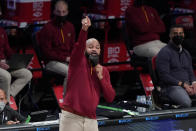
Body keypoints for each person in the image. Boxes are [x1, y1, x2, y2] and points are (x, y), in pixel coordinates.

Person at [59, 16, 116, 131]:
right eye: (90, 47)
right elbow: (78, 46)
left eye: (97, 47)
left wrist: (101, 78)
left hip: (91, 119)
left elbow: (110, 97)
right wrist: (84, 29)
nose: (94, 49)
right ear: (84, 50)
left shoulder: (103, 71)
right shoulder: (77, 63)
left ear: (100, 51)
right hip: (71, 117)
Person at [156, 25, 196, 108]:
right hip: (171, 87)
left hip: (188, 85)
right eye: (175, 33)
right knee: (186, 103)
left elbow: (190, 72)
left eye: (181, 33)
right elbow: (164, 76)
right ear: (170, 35)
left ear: (184, 35)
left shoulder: (186, 53)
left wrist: (194, 83)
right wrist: (183, 85)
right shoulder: (164, 52)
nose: (178, 35)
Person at [39, 0, 75, 88]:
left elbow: (73, 46)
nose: (61, 14)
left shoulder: (70, 27)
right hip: (51, 62)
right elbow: (46, 52)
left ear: (67, 12)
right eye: (58, 12)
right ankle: (67, 100)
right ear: (54, 12)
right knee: (70, 73)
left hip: (67, 60)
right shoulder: (47, 28)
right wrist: (65, 58)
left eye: (64, 12)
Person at [0, 27, 32, 102]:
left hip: (5, 63)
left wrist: (19, 62)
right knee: (6, 76)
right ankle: (5, 106)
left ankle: (8, 96)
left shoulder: (1, 30)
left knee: (26, 74)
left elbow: (7, 50)